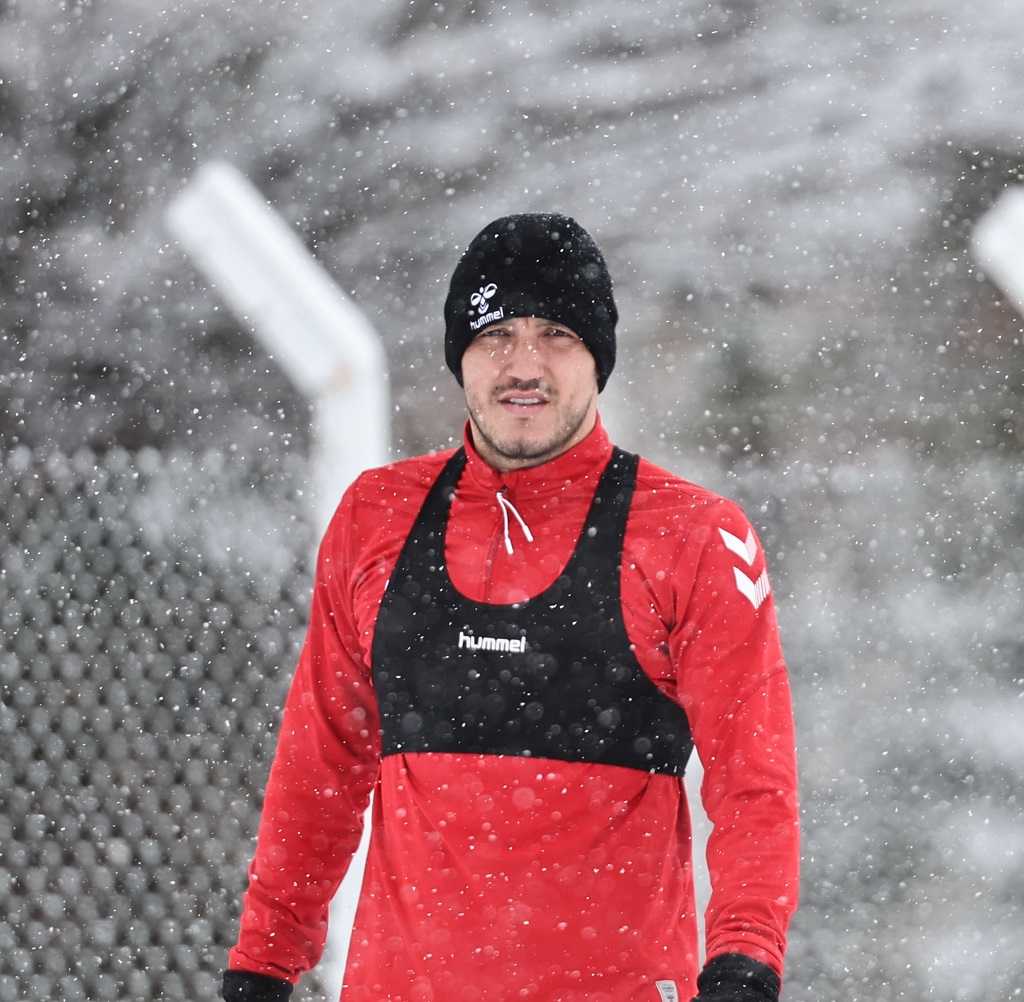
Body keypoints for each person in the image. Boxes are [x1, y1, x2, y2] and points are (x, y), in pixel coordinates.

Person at [221, 213, 800, 1002]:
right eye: (497, 335)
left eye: (556, 333)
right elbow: (319, 768)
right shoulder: (374, 518)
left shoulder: (693, 536)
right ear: (461, 355)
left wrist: (745, 963)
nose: (523, 364)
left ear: (598, 358)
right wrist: (262, 964)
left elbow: (753, 785)